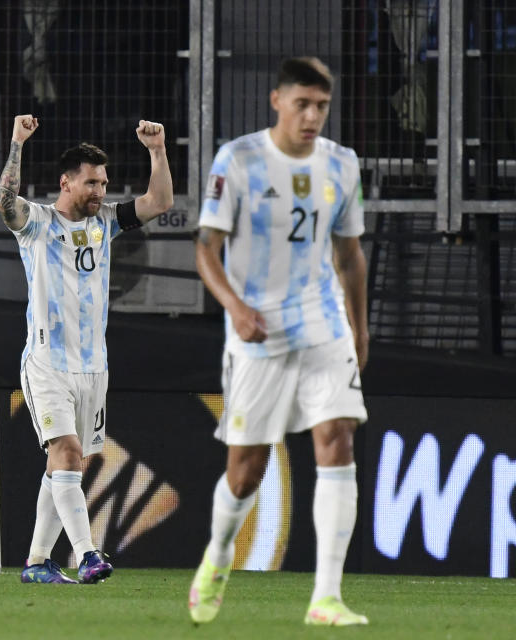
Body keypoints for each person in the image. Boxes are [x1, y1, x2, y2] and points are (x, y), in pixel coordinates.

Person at [189, 57, 369, 626]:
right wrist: (236, 307)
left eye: (321, 106)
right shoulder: (238, 159)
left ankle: (327, 597)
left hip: (322, 323)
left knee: (337, 439)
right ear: (277, 101)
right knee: (247, 470)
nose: (312, 116)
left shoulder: (342, 164)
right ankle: (217, 556)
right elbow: (205, 250)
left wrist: (360, 328)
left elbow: (349, 255)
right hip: (258, 331)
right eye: (302, 105)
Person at [0, 114, 173, 584]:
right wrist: (17, 143)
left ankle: (37, 562)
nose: (100, 190)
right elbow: (5, 204)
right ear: (66, 182)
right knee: (68, 452)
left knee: (63, 464)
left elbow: (160, 201)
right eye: (92, 182)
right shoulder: (37, 223)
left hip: (94, 367)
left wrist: (156, 150)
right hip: (47, 363)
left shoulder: (108, 223)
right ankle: (88, 553)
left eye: (104, 182)